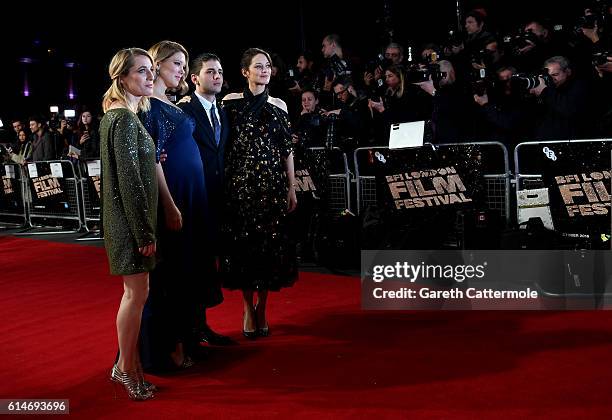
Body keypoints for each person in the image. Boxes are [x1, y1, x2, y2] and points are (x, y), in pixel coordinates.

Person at [139, 40, 210, 371]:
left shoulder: (168, 102)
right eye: (177, 63)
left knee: (188, 269)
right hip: (174, 197)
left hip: (191, 195)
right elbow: (152, 160)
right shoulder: (148, 107)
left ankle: (190, 338)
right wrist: (169, 205)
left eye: (185, 63)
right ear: (158, 64)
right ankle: (171, 348)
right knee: (173, 274)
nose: (183, 69)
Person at [221, 48, 298, 339]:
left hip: (272, 185)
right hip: (240, 188)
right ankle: (246, 307)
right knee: (244, 249)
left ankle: (262, 306)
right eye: (258, 66)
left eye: (268, 66)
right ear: (245, 72)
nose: (265, 70)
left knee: (269, 248)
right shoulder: (229, 103)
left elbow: (286, 150)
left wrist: (291, 187)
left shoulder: (280, 104)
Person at [99, 47, 157, 401]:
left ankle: (130, 366)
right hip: (130, 223)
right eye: (141, 71)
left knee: (136, 295)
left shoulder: (122, 116)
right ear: (122, 78)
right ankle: (124, 369)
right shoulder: (122, 118)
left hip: (128, 221)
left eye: (151, 70)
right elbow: (130, 179)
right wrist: (145, 232)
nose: (150, 76)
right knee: (135, 296)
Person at [177, 52, 235, 347]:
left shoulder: (223, 112)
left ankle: (201, 326)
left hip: (216, 198)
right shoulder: (184, 111)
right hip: (191, 199)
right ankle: (190, 330)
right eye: (211, 71)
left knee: (207, 264)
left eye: (220, 71)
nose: (217, 76)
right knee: (193, 263)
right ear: (194, 78)